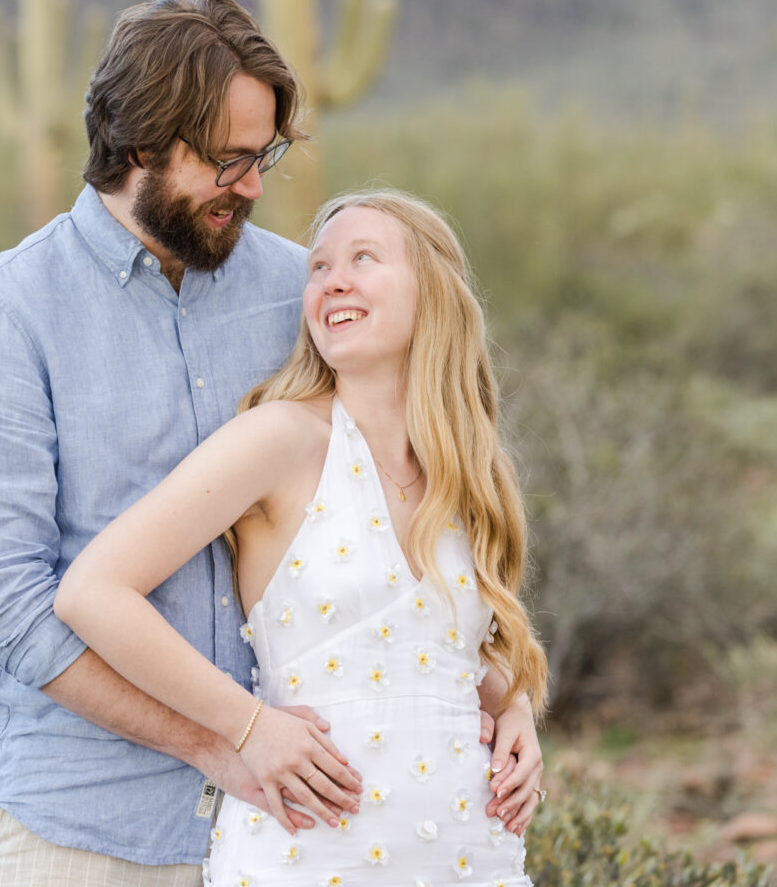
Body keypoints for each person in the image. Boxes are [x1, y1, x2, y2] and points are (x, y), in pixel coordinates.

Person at [0, 0, 542, 887]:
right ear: (140, 145)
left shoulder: (305, 295)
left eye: (267, 158)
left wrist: (502, 697)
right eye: (229, 161)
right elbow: (2, 604)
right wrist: (226, 738)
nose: (254, 186)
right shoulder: (8, 317)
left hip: (299, 833)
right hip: (88, 832)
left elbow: (404, 527)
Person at [55, 187, 548, 887]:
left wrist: (515, 708)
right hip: (310, 854)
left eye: (364, 258)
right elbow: (92, 592)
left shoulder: (468, 470)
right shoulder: (280, 439)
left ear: (434, 291)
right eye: (319, 267)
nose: (332, 279)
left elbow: (446, 650)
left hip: (471, 857)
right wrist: (248, 725)